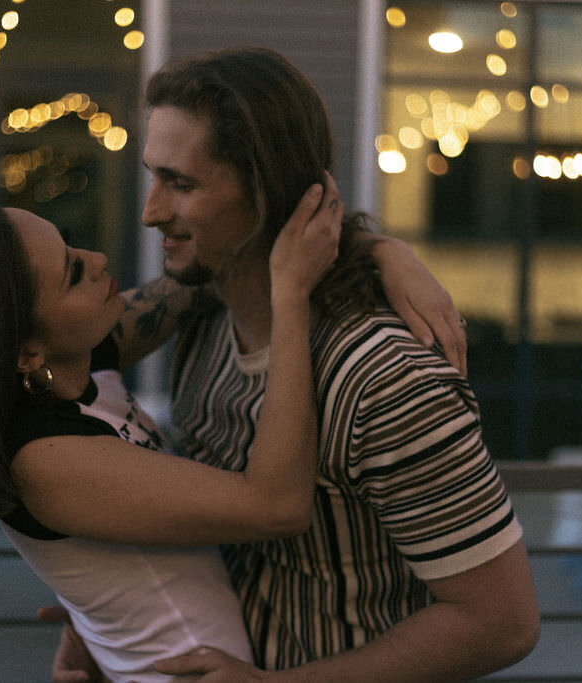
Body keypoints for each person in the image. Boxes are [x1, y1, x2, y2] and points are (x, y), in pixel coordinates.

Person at [55, 47, 540, 682]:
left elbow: (502, 622)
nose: (150, 211)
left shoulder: (387, 378)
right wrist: (110, 618)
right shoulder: (203, 313)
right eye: (154, 176)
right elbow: (65, 343)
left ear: (267, 188)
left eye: (181, 183)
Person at [0, 194, 343, 681]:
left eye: (71, 245)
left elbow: (211, 270)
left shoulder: (80, 359)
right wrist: (292, 298)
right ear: (27, 353)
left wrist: (387, 255)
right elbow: (279, 506)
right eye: (72, 273)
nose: (97, 261)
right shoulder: (44, 459)